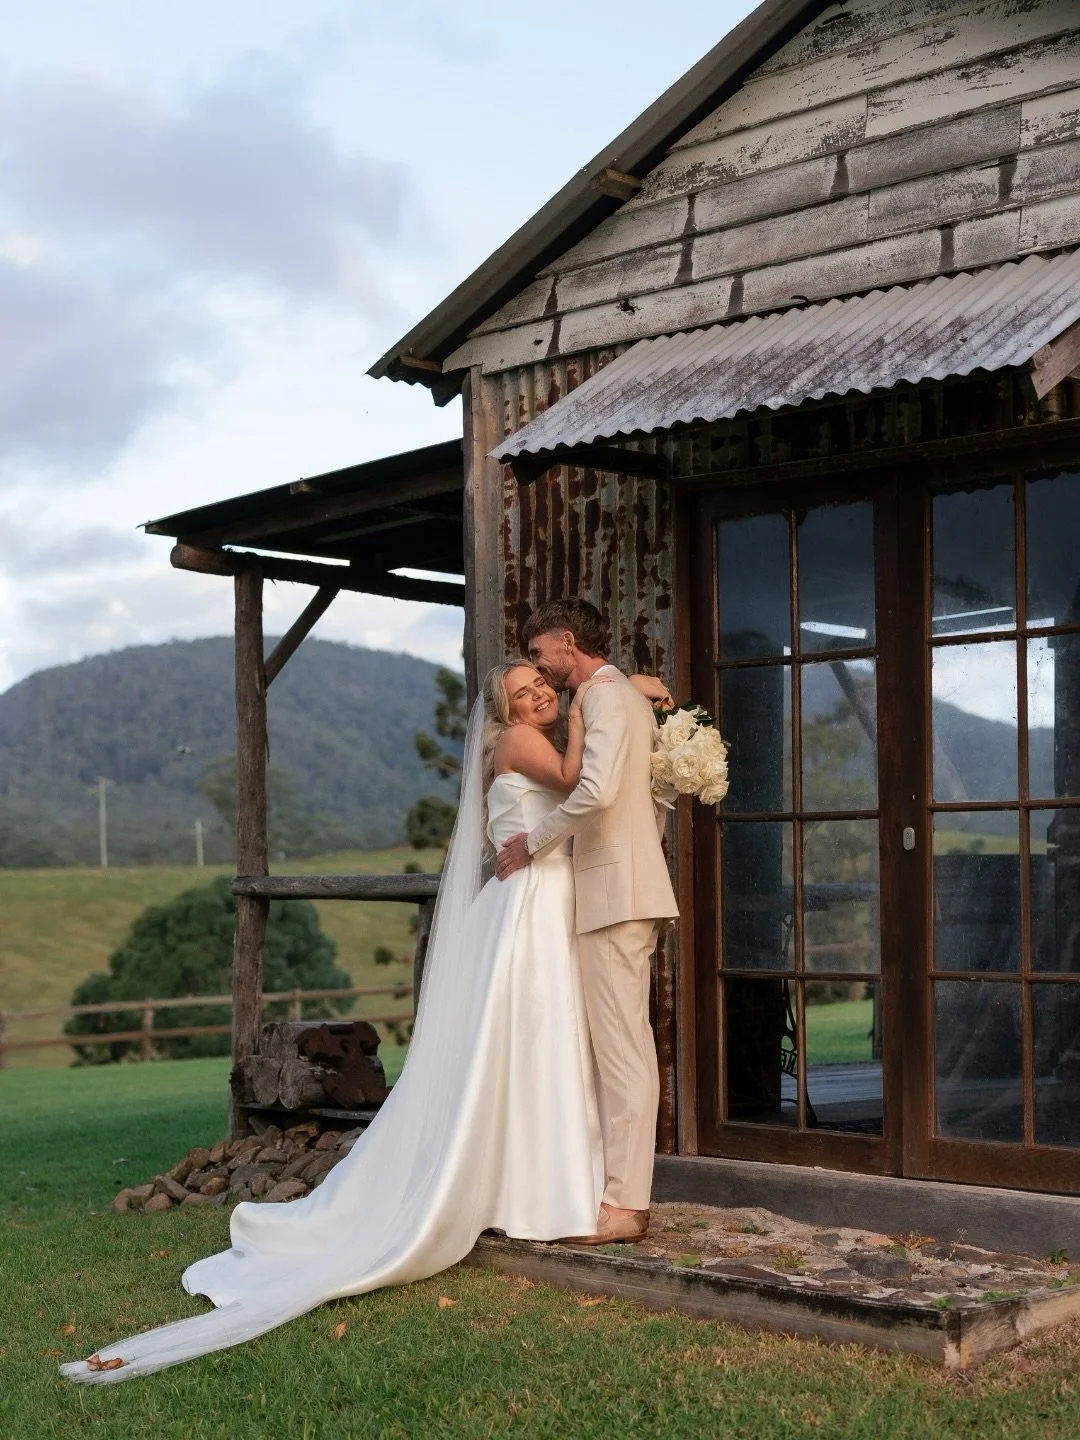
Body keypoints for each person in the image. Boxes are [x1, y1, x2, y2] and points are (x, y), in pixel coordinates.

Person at [63, 656, 671, 1384]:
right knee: (537, 1046)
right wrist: (609, 698)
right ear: (504, 714)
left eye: (543, 684)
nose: (541, 693)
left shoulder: (516, 741)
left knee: (538, 1050)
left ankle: (542, 1179)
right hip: (533, 909)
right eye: (524, 692)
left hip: (542, 902)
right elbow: (581, 782)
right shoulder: (524, 744)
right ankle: (536, 1185)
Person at [496, 599, 679, 1246]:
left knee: (622, 1052)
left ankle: (625, 1207)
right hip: (628, 885)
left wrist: (533, 843)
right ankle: (617, 1193)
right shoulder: (619, 696)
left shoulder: (602, 700)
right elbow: (653, 794)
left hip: (615, 892)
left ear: (567, 641)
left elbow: (596, 790)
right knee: (624, 1046)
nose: (540, 668)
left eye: (540, 653)